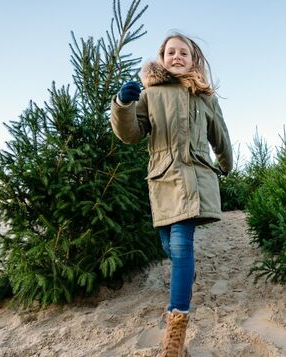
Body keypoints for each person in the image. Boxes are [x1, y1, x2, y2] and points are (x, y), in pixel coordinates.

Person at [110, 32, 233, 357]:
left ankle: (175, 333)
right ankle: (186, 271)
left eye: (183, 52)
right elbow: (131, 134)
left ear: (194, 59)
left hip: (193, 178)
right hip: (163, 179)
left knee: (180, 244)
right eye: (170, 53)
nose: (177, 57)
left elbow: (220, 134)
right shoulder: (151, 94)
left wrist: (226, 162)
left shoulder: (204, 97)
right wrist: (123, 105)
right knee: (169, 245)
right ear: (162, 58)